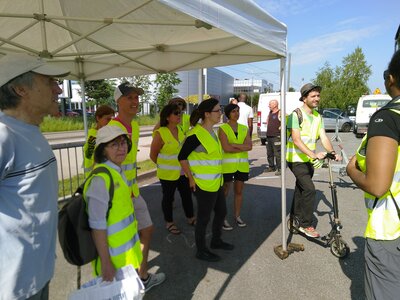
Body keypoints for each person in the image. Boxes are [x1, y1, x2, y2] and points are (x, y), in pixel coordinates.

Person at [0, 53, 69, 300]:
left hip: (39, 274)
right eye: (50, 81)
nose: (59, 89)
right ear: (21, 89)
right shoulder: (4, 134)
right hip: (14, 285)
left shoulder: (31, 130)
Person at [347, 50, 400, 299]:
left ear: (390, 79)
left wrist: (350, 171)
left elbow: (378, 185)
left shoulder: (389, 117)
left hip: (391, 230)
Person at [108, 82, 165, 291]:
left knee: (147, 229)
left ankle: (140, 275)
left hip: (133, 192)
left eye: (136, 97)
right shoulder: (112, 129)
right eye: (129, 97)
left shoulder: (136, 126)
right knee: (122, 242)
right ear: (118, 101)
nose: (135, 101)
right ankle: (125, 284)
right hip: (119, 197)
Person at [178, 98, 234, 262]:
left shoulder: (212, 132)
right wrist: (190, 178)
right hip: (202, 184)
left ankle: (216, 241)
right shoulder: (195, 135)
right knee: (203, 218)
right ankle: (201, 250)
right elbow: (182, 157)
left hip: (215, 182)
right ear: (207, 114)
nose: (221, 113)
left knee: (222, 212)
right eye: (218, 111)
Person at [84, 125, 142, 280]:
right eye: (114, 144)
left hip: (126, 258)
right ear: (103, 150)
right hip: (113, 263)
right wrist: (106, 263)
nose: (121, 148)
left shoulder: (116, 172)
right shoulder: (101, 180)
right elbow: (97, 225)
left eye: (123, 143)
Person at [286, 83, 340, 238]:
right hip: (296, 159)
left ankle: (295, 218)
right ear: (304, 98)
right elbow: (296, 140)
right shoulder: (294, 115)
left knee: (301, 189)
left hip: (308, 159)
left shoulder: (318, 117)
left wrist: (332, 152)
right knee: (309, 189)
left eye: (318, 96)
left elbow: (323, 137)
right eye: (313, 96)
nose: (317, 99)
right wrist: (313, 154)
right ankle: (305, 224)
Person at [150, 103, 196, 234]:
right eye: (176, 113)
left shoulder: (181, 130)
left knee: (186, 195)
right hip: (167, 174)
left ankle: (190, 217)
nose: (179, 115)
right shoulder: (160, 133)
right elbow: (153, 155)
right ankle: (169, 222)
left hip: (182, 172)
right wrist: (162, 165)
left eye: (180, 112)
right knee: (168, 198)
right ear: (167, 117)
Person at [218, 103, 252, 231]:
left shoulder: (244, 128)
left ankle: (237, 216)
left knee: (239, 192)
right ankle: (222, 218)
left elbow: (249, 146)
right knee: (225, 192)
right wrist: (240, 146)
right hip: (227, 166)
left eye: (238, 111)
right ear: (227, 114)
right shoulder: (223, 128)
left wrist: (233, 145)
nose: (236, 113)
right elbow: (226, 148)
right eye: (233, 111)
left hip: (241, 166)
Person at [83, 105, 115, 173]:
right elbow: (91, 157)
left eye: (112, 119)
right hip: (96, 175)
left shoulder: (96, 134)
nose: (110, 122)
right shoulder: (95, 136)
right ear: (98, 118)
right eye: (108, 119)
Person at [264, 99, 282, 175]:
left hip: (276, 136)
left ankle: (280, 168)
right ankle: (271, 167)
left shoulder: (280, 113)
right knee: (269, 153)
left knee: (277, 154)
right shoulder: (270, 112)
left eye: (270, 104)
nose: (269, 106)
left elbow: (285, 122)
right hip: (269, 136)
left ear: (275, 105)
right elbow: (268, 121)